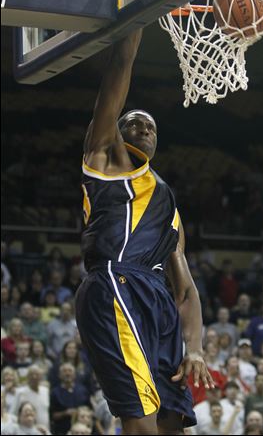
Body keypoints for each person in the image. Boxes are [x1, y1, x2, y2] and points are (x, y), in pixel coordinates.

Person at [75, 29, 214, 435]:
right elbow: (118, 69)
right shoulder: (106, 158)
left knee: (174, 422)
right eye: (133, 122)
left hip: (158, 301)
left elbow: (185, 287)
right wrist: (136, 19)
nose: (144, 128)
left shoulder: (167, 201)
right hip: (115, 282)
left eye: (151, 125)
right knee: (141, 422)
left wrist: (196, 348)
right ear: (117, 130)